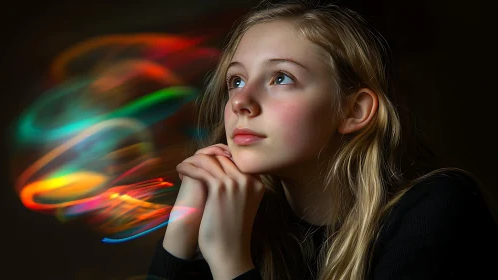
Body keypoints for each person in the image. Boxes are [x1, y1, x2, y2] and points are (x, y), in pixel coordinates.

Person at [147, 1, 498, 279]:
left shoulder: (438, 208)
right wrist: (182, 232)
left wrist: (230, 261)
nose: (241, 102)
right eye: (236, 80)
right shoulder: (245, 215)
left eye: (281, 78)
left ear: (353, 111)